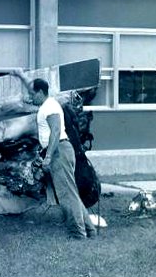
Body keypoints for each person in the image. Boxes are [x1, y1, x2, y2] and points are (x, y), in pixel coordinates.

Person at [10, 69, 97, 240]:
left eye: (32, 94)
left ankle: (77, 233)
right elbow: (32, 87)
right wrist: (20, 75)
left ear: (40, 92)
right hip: (61, 150)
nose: (30, 97)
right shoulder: (46, 104)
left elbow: (56, 131)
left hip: (59, 151)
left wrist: (48, 156)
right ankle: (89, 231)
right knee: (71, 193)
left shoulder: (49, 107)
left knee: (66, 195)